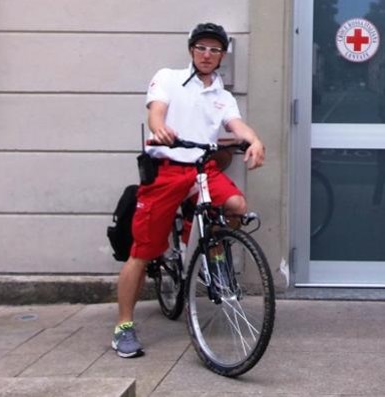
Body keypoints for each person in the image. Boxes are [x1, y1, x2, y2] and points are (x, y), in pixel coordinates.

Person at [112, 22, 265, 358]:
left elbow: (235, 125)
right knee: (142, 252)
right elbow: (156, 113)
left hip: (202, 169)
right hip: (167, 171)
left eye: (214, 50)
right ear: (191, 50)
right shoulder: (167, 77)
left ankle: (215, 253)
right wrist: (160, 129)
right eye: (201, 48)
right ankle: (123, 326)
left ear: (223, 55)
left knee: (237, 204)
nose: (207, 55)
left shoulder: (222, 96)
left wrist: (253, 139)